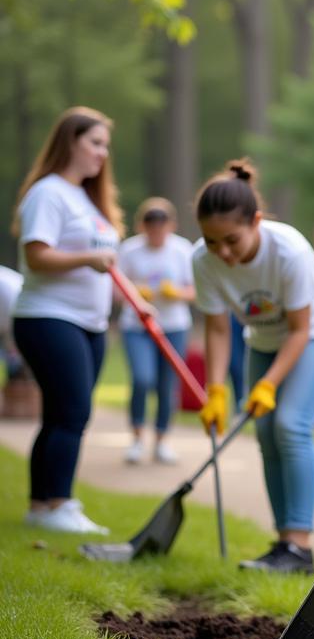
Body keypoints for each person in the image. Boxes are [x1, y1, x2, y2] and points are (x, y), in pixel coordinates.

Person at [192, 160, 314, 573]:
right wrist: (215, 391)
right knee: (264, 431)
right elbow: (218, 330)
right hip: (261, 339)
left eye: (231, 240)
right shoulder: (202, 260)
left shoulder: (288, 250)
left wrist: (268, 384)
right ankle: (284, 545)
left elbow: (300, 329)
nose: (222, 253)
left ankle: (299, 547)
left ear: (256, 221)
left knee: (290, 424)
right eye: (212, 242)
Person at [11, 106, 123, 534]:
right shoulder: (49, 192)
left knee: (61, 413)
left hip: (90, 323)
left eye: (105, 145)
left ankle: (41, 506)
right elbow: (37, 255)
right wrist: (89, 258)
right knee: (73, 411)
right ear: (69, 142)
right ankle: (60, 503)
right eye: (94, 142)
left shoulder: (89, 200)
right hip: (49, 316)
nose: (102, 153)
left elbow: (105, 266)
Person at [118, 197, 195, 464]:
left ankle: (161, 439)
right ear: (143, 225)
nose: (156, 230)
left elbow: (195, 290)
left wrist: (176, 293)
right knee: (142, 378)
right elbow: (116, 290)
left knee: (167, 386)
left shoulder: (182, 250)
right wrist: (135, 292)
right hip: (137, 325)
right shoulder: (129, 250)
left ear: (170, 225)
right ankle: (137, 437)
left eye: (161, 224)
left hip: (173, 325)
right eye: (151, 224)